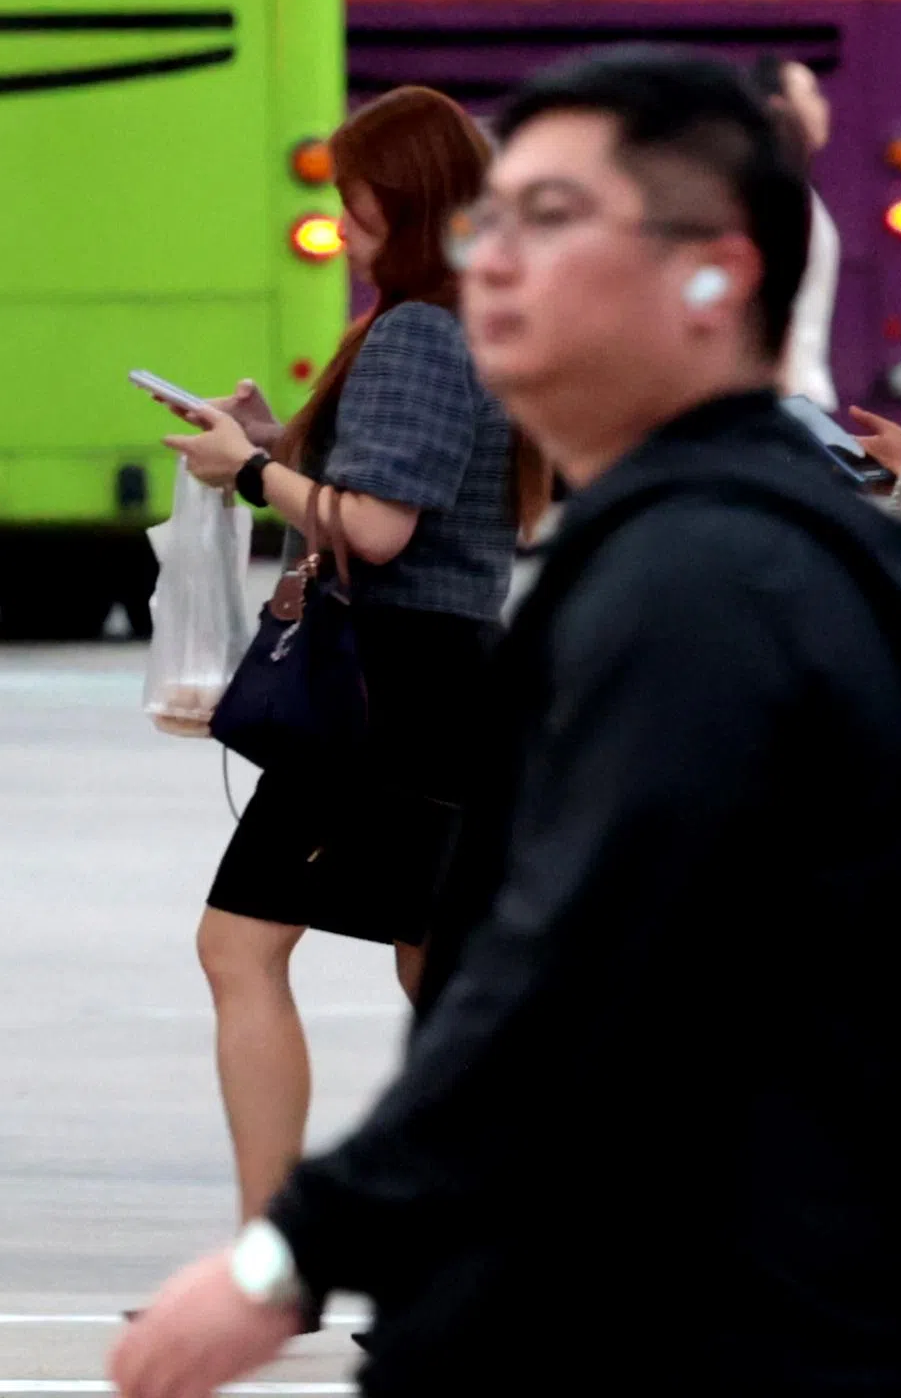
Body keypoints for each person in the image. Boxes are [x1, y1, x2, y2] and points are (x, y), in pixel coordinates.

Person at [111, 45, 901, 1398]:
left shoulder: (701, 586)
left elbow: (553, 987)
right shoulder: (740, 537)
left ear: (715, 278)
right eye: (491, 219)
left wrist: (279, 1268)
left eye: (552, 222)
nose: (495, 262)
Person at [154, 87, 523, 1223]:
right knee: (439, 972)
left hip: (387, 691)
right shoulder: (466, 318)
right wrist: (273, 440)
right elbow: (396, 482)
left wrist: (252, 476)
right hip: (442, 682)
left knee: (241, 948)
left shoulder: (418, 327)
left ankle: (274, 1253)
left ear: (407, 206)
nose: (344, 227)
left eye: (356, 205)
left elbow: (376, 525)